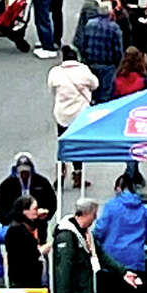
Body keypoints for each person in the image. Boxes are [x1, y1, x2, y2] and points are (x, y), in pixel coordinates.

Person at [48, 47, 98, 188]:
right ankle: (78, 174)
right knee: (78, 144)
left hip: (62, 114)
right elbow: (95, 84)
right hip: (80, 114)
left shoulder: (55, 72)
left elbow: (51, 88)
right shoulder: (83, 70)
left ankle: (61, 170)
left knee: (63, 142)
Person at [0, 151, 58, 232]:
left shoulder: (41, 182)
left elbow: (52, 202)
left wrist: (45, 218)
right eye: (21, 171)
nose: (24, 174)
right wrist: (7, 221)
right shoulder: (7, 185)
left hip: (38, 226)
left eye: (27, 171)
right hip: (13, 226)